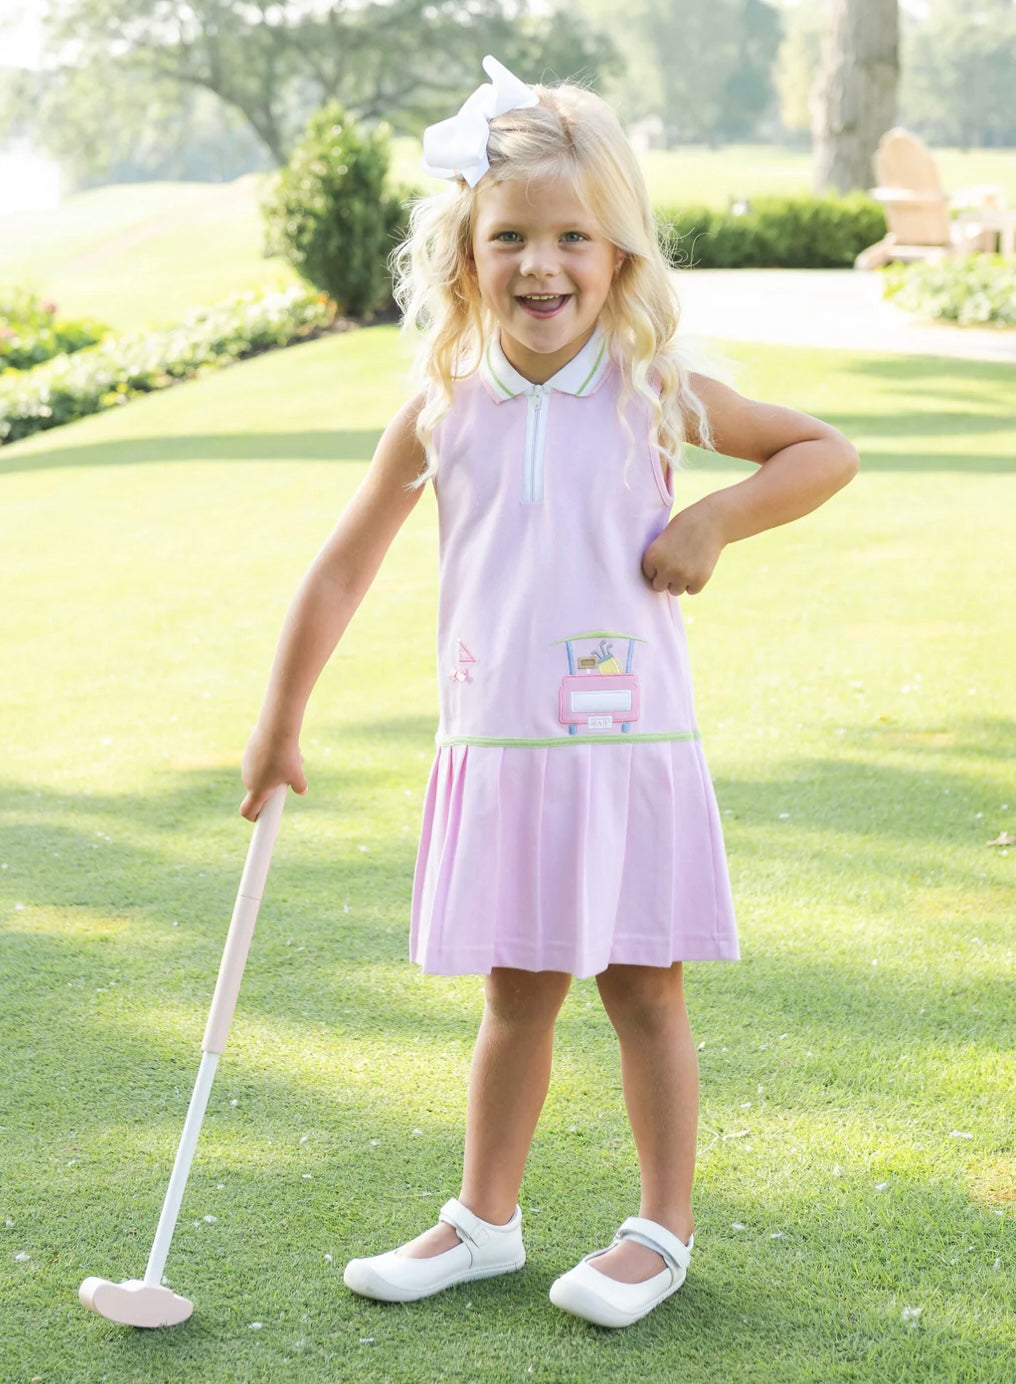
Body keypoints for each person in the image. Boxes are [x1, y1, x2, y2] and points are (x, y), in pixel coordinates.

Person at [240, 56, 858, 1329]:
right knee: (513, 994)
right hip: (499, 747)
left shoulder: (654, 389)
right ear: (466, 255)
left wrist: (719, 521)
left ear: (618, 255)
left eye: (573, 236)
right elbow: (346, 560)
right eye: (510, 235)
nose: (541, 263)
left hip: (625, 747)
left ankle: (659, 1227)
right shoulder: (438, 406)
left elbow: (821, 451)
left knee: (643, 987)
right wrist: (280, 716)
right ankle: (485, 1219)